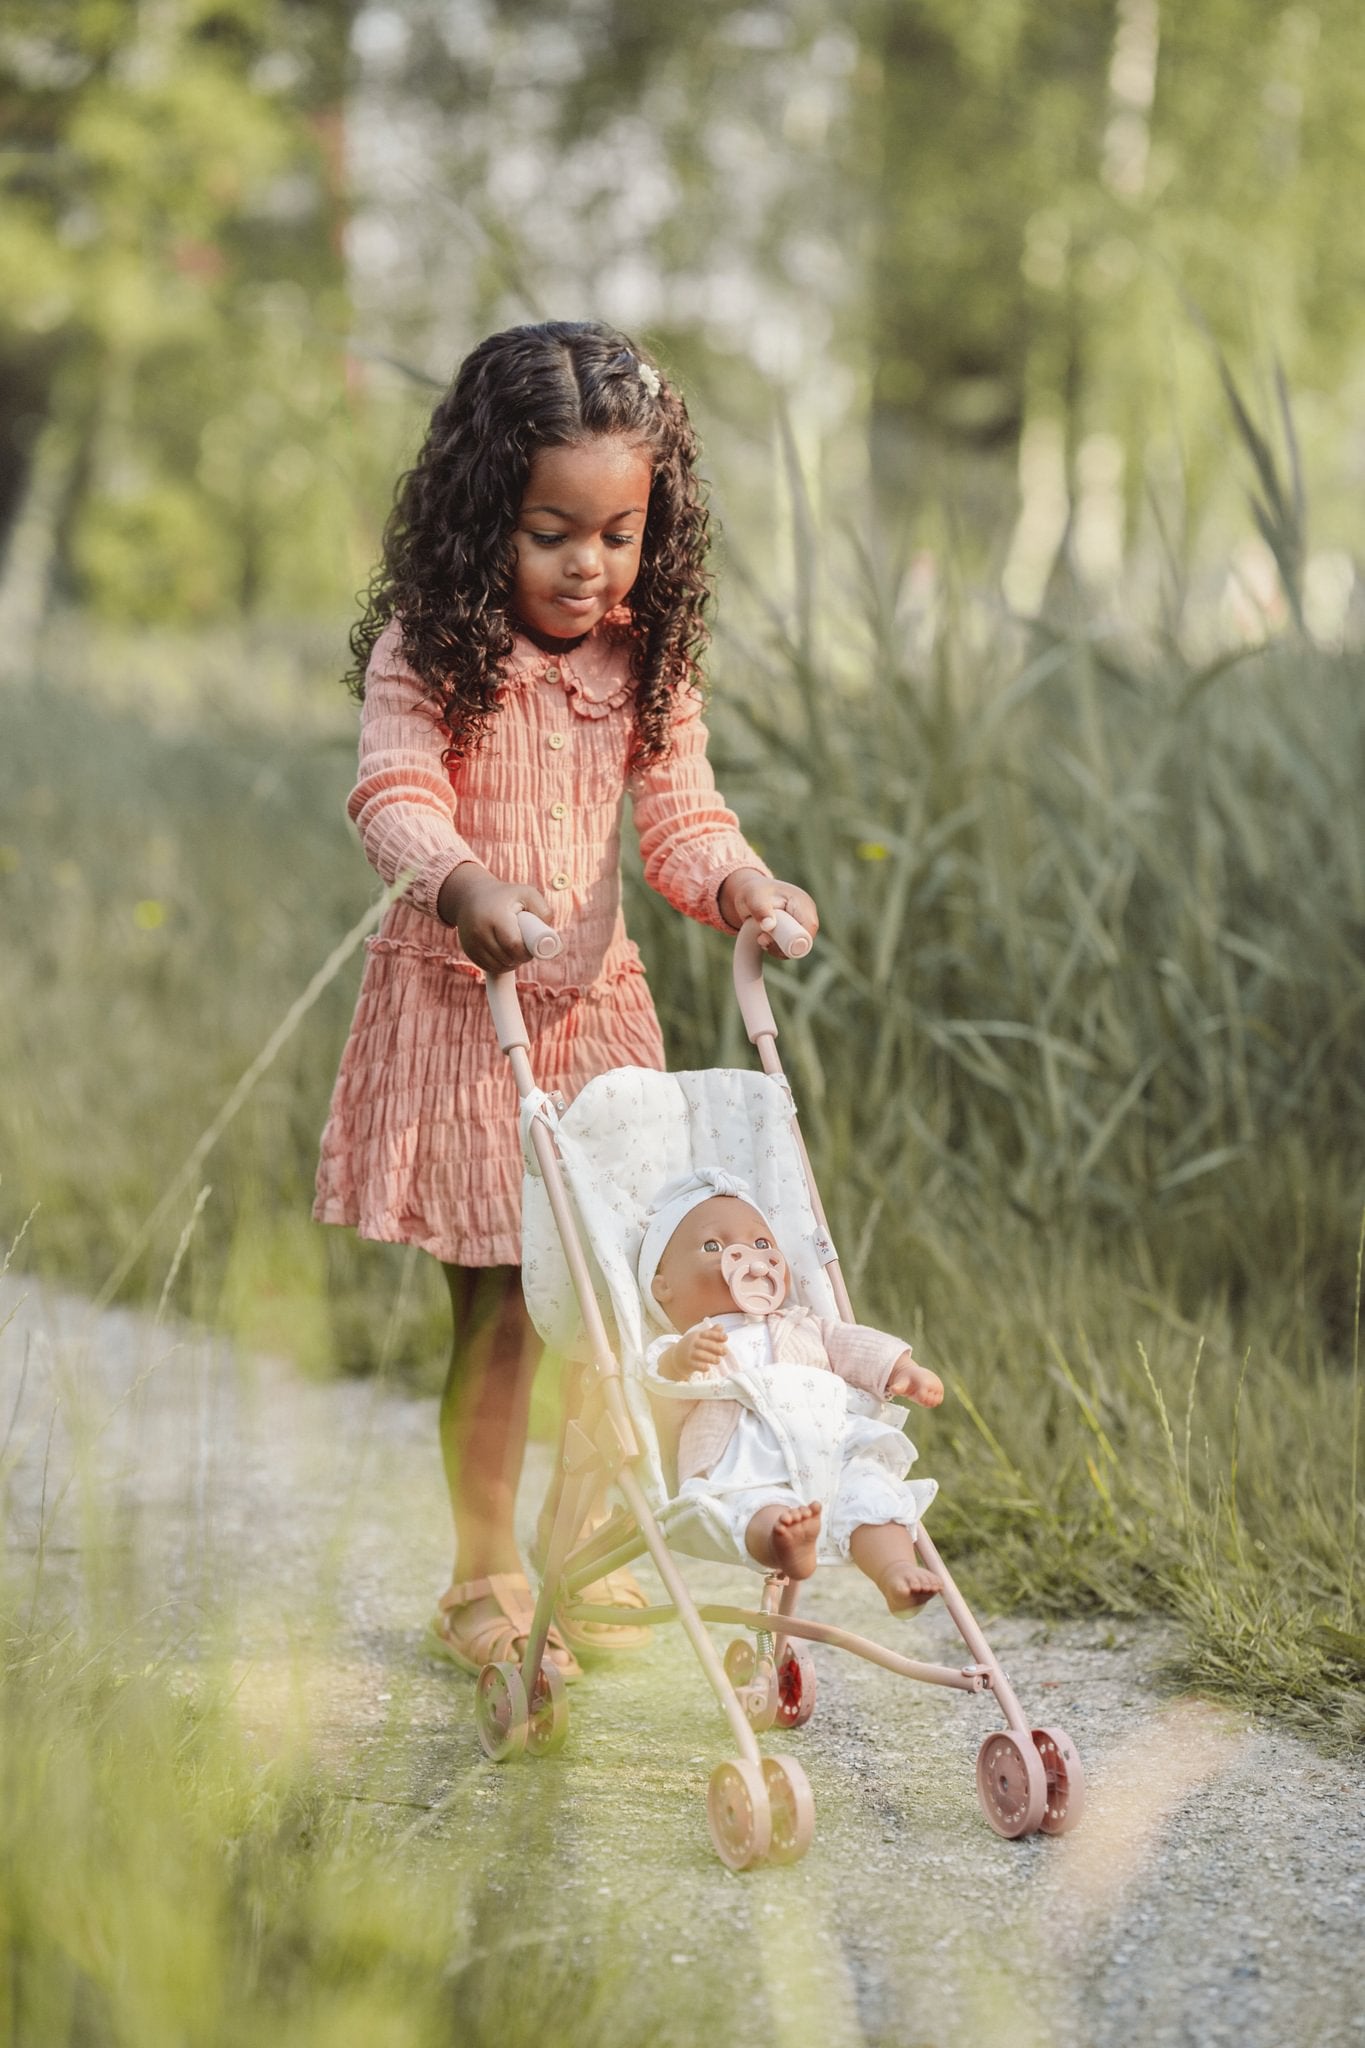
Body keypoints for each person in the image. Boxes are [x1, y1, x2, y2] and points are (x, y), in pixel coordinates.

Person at [314, 322, 819, 1680]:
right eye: (552, 532)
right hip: (467, 1023)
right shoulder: (432, 648)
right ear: (488, 515)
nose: (588, 566)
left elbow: (681, 820)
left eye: (619, 533)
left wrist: (745, 885)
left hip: (597, 1028)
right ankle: (484, 1571)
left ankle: (582, 1550)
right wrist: (462, 882)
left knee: (624, 1310)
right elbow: (394, 790)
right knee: (497, 1315)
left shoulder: (643, 658)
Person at [637, 1170, 942, 1613]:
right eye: (713, 1247)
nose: (748, 1260)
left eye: (762, 1244)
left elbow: (849, 1343)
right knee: (751, 1507)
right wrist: (681, 1360)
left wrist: (902, 1367)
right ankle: (783, 1542)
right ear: (662, 1286)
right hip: (742, 1460)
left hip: (829, 1449)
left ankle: (895, 1570)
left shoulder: (800, 1323)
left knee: (870, 1491)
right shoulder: (687, 1341)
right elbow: (660, 1392)